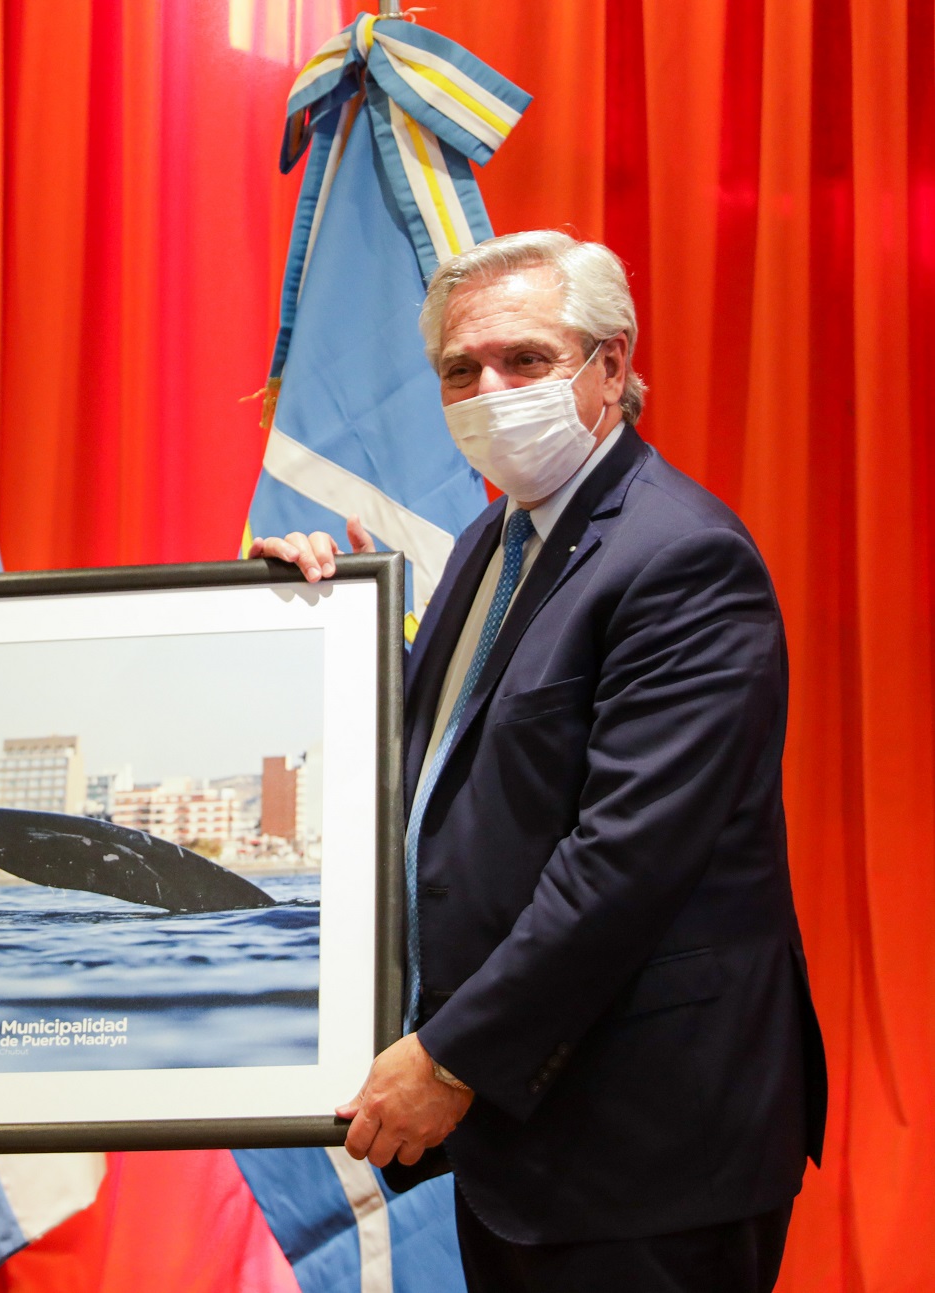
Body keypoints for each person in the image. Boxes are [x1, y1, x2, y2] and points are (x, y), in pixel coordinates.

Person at [253, 231, 827, 1292]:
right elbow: (440, 770)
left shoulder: (680, 558)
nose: (488, 390)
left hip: (645, 1139)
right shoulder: (488, 545)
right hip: (522, 1135)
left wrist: (450, 1056)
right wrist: (307, 619)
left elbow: (626, 859)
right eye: (459, 370)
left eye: (524, 359)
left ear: (610, 366)